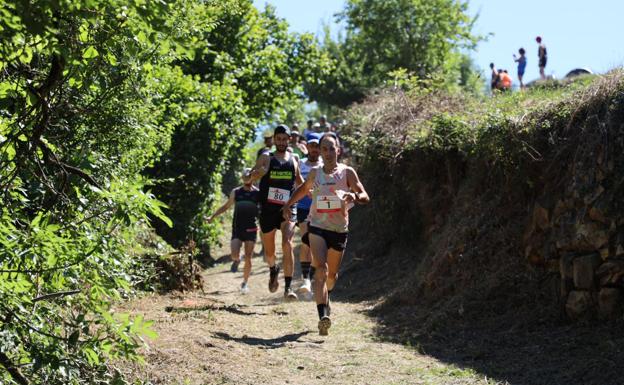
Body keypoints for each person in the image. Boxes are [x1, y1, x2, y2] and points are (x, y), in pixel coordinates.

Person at [283, 132, 370, 336]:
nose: (329, 152)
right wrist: (288, 203)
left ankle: (327, 297)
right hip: (317, 227)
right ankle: (322, 316)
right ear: (320, 152)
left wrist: (354, 196)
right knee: (320, 269)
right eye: (325, 149)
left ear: (338, 150)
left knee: (332, 274)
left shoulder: (348, 173)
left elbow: (365, 195)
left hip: (339, 229)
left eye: (332, 148)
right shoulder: (315, 173)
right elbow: (304, 189)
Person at [249, 124, 304, 300]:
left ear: (289, 139)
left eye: (284, 139)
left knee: (287, 243)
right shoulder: (266, 157)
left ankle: (288, 288)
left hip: (288, 207)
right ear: (274, 140)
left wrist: (315, 192)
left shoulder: (294, 158)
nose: (281, 142)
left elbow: (301, 183)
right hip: (268, 209)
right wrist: (258, 174)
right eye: (278, 139)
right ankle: (273, 269)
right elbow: (250, 177)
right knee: (270, 252)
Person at [206, 169, 260, 294]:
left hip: (251, 229)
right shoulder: (236, 192)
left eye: (249, 176)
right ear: (242, 178)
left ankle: (245, 283)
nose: (247, 178)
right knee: (234, 254)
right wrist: (212, 217)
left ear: (253, 177)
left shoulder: (258, 193)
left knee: (249, 257)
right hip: (238, 228)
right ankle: (237, 260)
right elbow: (226, 206)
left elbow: (264, 209)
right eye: (245, 176)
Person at [295, 133, 323, 298]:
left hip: (321, 210)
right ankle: (306, 280)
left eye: (316, 145)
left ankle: (309, 282)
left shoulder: (325, 165)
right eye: (311, 145)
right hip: (304, 208)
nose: (314, 149)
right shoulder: (300, 164)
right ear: (307, 147)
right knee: (306, 242)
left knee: (315, 246)